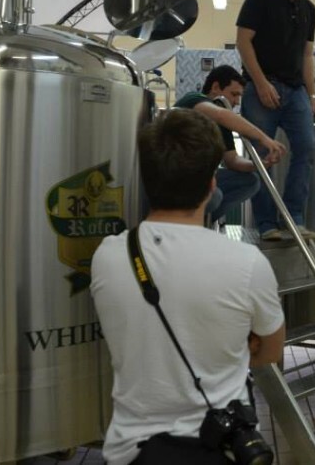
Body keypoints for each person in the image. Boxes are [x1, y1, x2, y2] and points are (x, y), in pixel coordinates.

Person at [90, 109, 285, 465]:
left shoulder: (107, 255)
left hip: (130, 454)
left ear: (146, 179)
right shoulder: (247, 264)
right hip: (217, 448)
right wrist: (236, 343)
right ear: (213, 184)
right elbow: (269, 353)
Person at [236, 0, 315, 241]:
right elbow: (243, 41)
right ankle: (266, 223)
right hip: (262, 87)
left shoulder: (309, 10)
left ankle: (293, 217)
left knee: (307, 148)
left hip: (295, 89)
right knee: (263, 155)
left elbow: (307, 55)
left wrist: (311, 95)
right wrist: (260, 83)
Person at [175, 65, 269, 225]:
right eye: (234, 94)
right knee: (214, 195)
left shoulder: (222, 123)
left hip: (201, 177)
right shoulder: (194, 99)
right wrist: (264, 138)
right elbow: (221, 115)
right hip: (174, 176)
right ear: (216, 87)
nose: (236, 101)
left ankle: (204, 221)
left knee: (251, 182)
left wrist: (258, 164)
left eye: (239, 96)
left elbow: (232, 161)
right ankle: (190, 222)